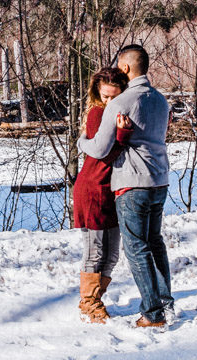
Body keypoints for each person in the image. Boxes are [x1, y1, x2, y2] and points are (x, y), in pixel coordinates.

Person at [77, 44, 174, 328]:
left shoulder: (122, 102)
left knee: (136, 249)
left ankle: (153, 313)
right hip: (160, 180)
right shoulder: (160, 100)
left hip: (133, 183)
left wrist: (81, 141)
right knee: (155, 243)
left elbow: (99, 147)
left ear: (126, 68)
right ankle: (165, 302)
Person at [73, 66, 132, 323]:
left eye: (113, 96)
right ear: (98, 93)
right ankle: (89, 303)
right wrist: (123, 134)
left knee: (113, 255)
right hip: (92, 189)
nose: (109, 101)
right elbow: (104, 153)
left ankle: (95, 298)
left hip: (111, 191)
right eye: (104, 95)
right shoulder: (98, 113)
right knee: (94, 252)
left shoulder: (120, 111)